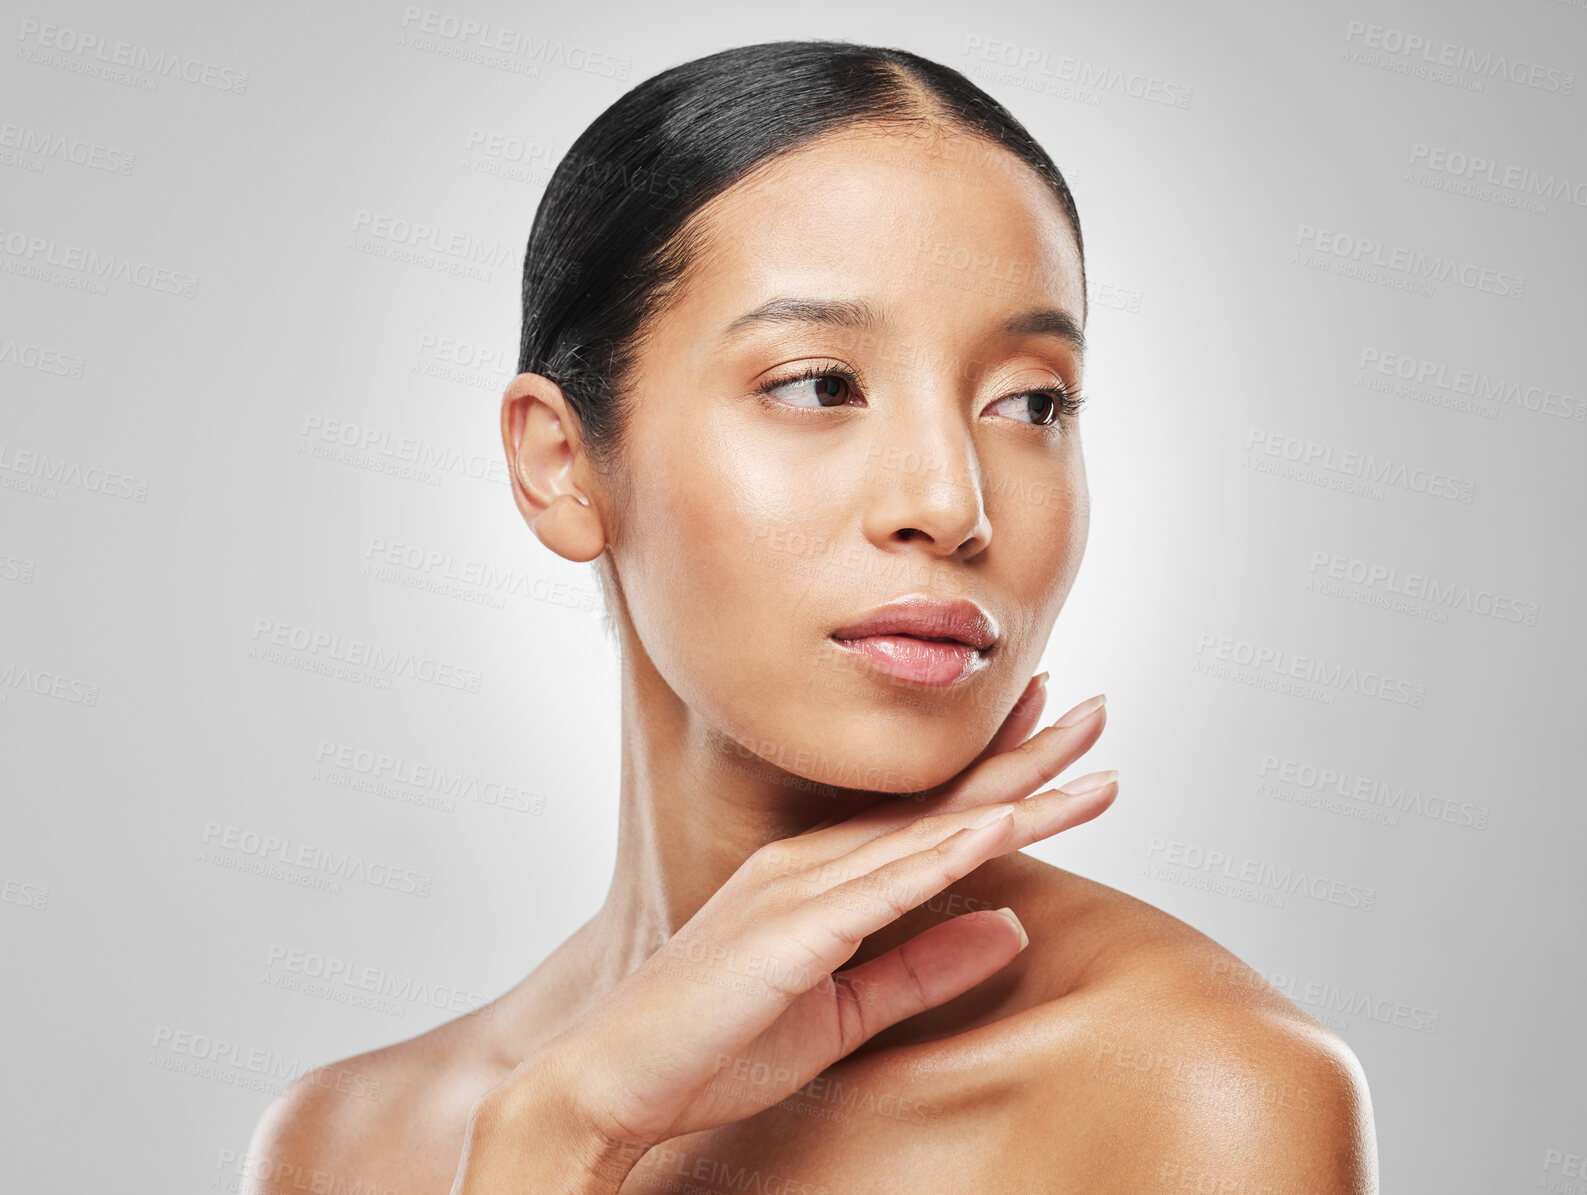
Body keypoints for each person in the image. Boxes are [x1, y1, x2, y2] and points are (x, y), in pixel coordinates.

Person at [244, 40, 1378, 1193]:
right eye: (819, 384)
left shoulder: (1197, 1096)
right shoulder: (350, 1144)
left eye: (1029, 402)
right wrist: (555, 1135)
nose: (949, 501)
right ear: (560, 462)